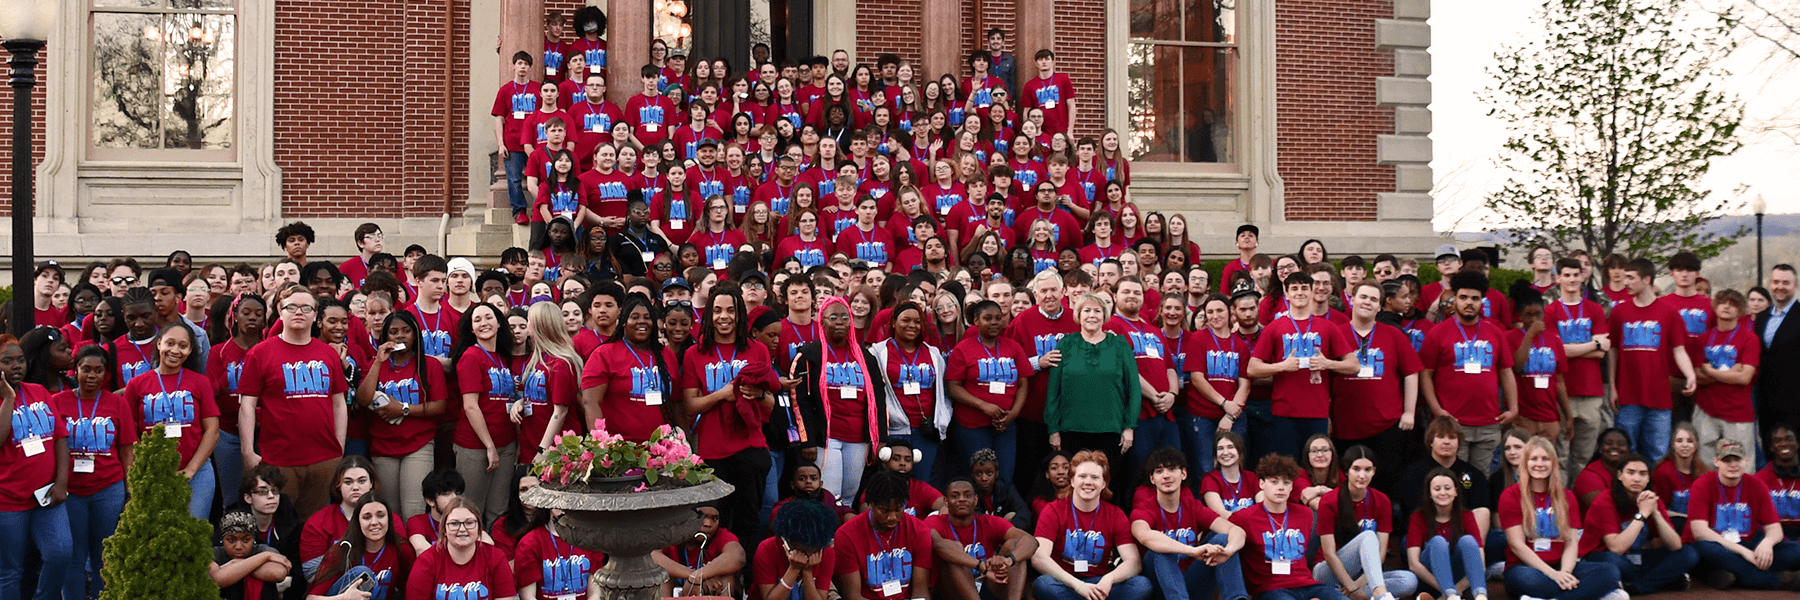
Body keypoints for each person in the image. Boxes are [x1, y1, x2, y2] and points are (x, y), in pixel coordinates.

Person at [239, 289, 350, 518]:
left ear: (315, 315)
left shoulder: (328, 354)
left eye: (306, 308)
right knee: (280, 524)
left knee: (314, 525)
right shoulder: (260, 354)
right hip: (279, 458)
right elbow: (247, 405)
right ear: (280, 311)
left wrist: (338, 447)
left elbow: (339, 403)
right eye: (291, 307)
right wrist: (248, 451)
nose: (299, 312)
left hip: (323, 459)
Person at [683, 284, 781, 539]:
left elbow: (771, 402)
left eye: (730, 310)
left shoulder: (757, 349)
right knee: (717, 521)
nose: (723, 316)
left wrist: (759, 395)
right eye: (717, 310)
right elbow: (690, 405)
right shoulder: (694, 354)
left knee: (748, 520)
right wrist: (721, 395)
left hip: (750, 448)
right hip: (712, 451)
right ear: (708, 315)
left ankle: (746, 575)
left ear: (740, 315)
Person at [51, 346, 136, 600]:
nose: (91, 375)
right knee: (73, 556)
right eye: (85, 369)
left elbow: (127, 451)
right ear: (74, 370)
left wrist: (130, 492)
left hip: (108, 489)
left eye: (98, 370)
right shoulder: (58, 402)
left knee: (105, 555)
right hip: (71, 491)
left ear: (105, 374)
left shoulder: (117, 403)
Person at [1498, 437, 1623, 600]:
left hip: (1561, 564)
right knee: (1529, 580)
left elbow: (1571, 542)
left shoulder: (1566, 496)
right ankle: (1586, 595)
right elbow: (1517, 546)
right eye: (1533, 459)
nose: (1539, 464)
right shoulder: (1511, 495)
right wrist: (1553, 575)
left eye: (1545, 459)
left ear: (1554, 463)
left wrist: (1564, 572)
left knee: (1610, 572)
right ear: (1525, 463)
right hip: (1525, 567)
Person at [1420, 271, 1517, 471]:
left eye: (1475, 298)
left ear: (1483, 301)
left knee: (1480, 480)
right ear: (1454, 299)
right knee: (1453, 479)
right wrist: (1438, 410)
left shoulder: (1495, 333)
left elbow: (1506, 372)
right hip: (1452, 424)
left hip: (1489, 422)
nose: (1469, 303)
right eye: (1463, 297)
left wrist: (1513, 408)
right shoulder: (1437, 333)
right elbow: (1425, 375)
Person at [1045, 293, 1140, 496]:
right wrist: (1053, 429)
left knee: (1108, 486)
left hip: (1111, 430)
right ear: (1078, 314)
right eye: (1086, 310)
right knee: (1076, 486)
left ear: (1105, 316)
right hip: (1072, 430)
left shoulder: (1120, 345)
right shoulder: (1066, 345)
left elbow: (1133, 388)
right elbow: (1054, 391)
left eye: (1097, 311)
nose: (1092, 315)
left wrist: (1129, 427)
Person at [357, 311, 449, 521]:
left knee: (413, 511)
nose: (400, 336)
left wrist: (403, 409)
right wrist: (378, 362)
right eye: (394, 332)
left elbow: (440, 406)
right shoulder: (375, 364)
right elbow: (363, 399)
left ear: (415, 335)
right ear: (385, 337)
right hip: (382, 446)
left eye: (406, 331)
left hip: (418, 444)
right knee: (389, 512)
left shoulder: (429, 364)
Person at [1332, 281, 1422, 493]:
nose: (1367, 302)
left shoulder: (1394, 334)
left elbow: (1411, 372)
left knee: (1386, 487)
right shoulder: (1336, 333)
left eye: (1374, 299)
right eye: (1363, 297)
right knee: (1349, 488)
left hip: (1386, 425)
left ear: (1380, 307)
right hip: (1345, 426)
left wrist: (1409, 412)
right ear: (1352, 300)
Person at [124, 319, 219, 519]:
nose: (175, 350)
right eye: (170, 343)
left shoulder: (200, 382)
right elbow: (130, 435)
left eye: (183, 346)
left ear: (190, 350)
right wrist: (148, 469)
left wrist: (190, 470)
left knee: (192, 535)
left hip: (197, 474)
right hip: (153, 474)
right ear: (159, 343)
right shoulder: (136, 384)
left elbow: (212, 430)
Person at [1129, 447, 1248, 600]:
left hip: (1191, 580)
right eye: (1159, 471)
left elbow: (1236, 531)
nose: (1166, 475)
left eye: (1172, 469)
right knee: (1160, 549)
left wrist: (1228, 551)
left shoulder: (1193, 506)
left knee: (1223, 539)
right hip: (1160, 587)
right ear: (1152, 479)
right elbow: (1145, 536)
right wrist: (1191, 551)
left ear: (1183, 474)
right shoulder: (1144, 509)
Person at [1030, 451, 1151, 600]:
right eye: (1082, 476)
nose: (1088, 482)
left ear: (1103, 484)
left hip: (1099, 585)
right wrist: (1078, 585)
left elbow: (1134, 562)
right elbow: (1039, 558)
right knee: (1043, 584)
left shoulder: (1115, 514)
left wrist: (1109, 579)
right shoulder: (1053, 510)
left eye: (1095, 477)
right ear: (1072, 481)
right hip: (1066, 583)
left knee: (1141, 585)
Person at [1609, 258, 1696, 463]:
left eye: (1631, 278)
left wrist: (1690, 374)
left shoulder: (1668, 312)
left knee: (1658, 455)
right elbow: (1612, 350)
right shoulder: (1619, 312)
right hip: (1628, 397)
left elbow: (1679, 350)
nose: (1626, 283)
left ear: (1646, 279)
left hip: (1659, 399)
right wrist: (1613, 387)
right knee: (1626, 454)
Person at [1686, 438, 1800, 590]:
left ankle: (1733, 575)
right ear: (1716, 461)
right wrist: (1744, 552)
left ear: (1746, 460)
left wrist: (1767, 544)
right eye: (1727, 460)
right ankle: (1774, 580)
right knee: (1705, 548)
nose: (1733, 464)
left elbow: (1775, 529)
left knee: (1795, 551)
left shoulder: (1756, 484)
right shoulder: (1702, 484)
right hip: (1719, 546)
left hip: (1748, 545)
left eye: (1737, 459)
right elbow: (1699, 532)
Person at [1580, 452, 1697, 595]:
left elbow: (1675, 545)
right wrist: (1642, 515)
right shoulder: (1604, 500)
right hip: (1605, 555)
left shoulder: (1651, 499)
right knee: (1614, 563)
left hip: (1639, 555)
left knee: (1689, 554)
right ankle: (1663, 579)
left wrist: (1656, 513)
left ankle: (1636, 587)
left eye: (1642, 474)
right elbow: (1616, 548)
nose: (1637, 478)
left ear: (1648, 478)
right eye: (1630, 473)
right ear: (1619, 475)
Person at [947, 300, 1033, 485]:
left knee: (1004, 477)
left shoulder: (1013, 347)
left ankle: (1001, 513)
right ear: (976, 321)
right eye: (988, 318)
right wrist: (983, 405)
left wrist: (1014, 413)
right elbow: (953, 387)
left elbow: (1023, 384)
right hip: (972, 425)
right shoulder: (963, 348)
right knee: (978, 477)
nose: (994, 322)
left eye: (998, 318)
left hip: (1005, 425)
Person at [1315, 446, 1417, 600]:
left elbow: (1381, 554)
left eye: (1367, 469)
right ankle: (1380, 595)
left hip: (1364, 576)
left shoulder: (1382, 500)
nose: (1362, 475)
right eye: (1356, 469)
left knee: (1409, 581)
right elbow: (1329, 554)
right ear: (1346, 471)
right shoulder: (1329, 501)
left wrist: (1359, 585)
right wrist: (1352, 588)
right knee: (1368, 536)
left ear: (1374, 471)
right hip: (1329, 572)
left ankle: (1353, 596)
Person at [451, 302, 519, 525]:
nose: (483, 323)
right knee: (472, 508)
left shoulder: (502, 357)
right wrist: (489, 446)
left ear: (499, 323)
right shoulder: (471, 357)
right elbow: (471, 405)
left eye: (488, 318)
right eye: (477, 320)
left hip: (506, 443)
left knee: (499, 510)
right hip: (475, 446)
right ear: (471, 329)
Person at [1543, 258, 1611, 477]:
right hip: (1562, 392)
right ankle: (1562, 503)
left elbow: (1602, 352)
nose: (1572, 280)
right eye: (1567, 275)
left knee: (1583, 456)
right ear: (1558, 278)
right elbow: (1555, 352)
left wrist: (1570, 349)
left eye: (1576, 275)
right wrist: (1592, 344)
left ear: (1584, 277)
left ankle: (1578, 504)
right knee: (1560, 454)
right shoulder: (1550, 311)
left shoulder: (1595, 310)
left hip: (1592, 392)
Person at [927, 476, 1038, 600]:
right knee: (953, 549)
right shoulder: (933, 522)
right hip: (951, 592)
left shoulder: (988, 522)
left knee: (1014, 545)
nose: (962, 499)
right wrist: (980, 565)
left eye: (967, 496)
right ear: (946, 501)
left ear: (975, 500)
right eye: (955, 496)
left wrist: (1009, 560)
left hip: (987, 585)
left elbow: (1031, 541)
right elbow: (939, 545)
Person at [834, 470, 935, 600]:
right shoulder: (847, 534)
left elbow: (920, 590)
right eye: (884, 510)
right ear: (871, 504)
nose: (892, 517)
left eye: (898, 509)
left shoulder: (919, 530)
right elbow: (853, 596)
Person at [406, 498, 518, 600]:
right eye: (454, 523)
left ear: (479, 527)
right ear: (444, 529)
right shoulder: (427, 561)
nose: (462, 529)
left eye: (469, 523)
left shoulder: (495, 557)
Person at [305, 496, 413, 600]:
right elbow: (311, 598)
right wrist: (344, 598)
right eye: (367, 517)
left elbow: (412, 591)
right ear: (357, 522)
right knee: (361, 571)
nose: (374, 522)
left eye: (380, 516)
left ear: (389, 519)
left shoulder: (401, 549)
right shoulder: (342, 550)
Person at [1693, 289, 1758, 461]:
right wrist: (1730, 372)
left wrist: (1711, 371)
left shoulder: (1750, 339)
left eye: (1733, 304)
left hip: (1738, 412)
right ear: (1714, 306)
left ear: (1741, 310)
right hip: (1706, 409)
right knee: (1704, 467)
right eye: (1723, 302)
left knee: (1741, 467)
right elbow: (1698, 376)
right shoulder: (1703, 339)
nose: (1727, 306)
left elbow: (1744, 378)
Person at [1406, 467, 1488, 600]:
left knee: (1468, 540)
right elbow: (1414, 564)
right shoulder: (1418, 517)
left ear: (1456, 491)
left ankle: (1481, 595)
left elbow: (1480, 562)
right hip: (1431, 578)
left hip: (1457, 576)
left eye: (1448, 488)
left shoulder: (1466, 515)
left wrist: (1458, 589)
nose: (1443, 493)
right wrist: (1448, 591)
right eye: (1437, 489)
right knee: (1438, 541)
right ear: (1429, 494)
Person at [1397, 417, 1492, 526]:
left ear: (1459, 442)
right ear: (1431, 441)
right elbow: (1412, 509)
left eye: (1452, 437)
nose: (1446, 442)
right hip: (1425, 532)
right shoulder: (1413, 473)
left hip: (1463, 533)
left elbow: (1480, 508)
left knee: (1483, 513)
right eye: (1440, 437)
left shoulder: (1473, 474)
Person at [299, 456, 378, 576]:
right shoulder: (317, 522)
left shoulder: (388, 518)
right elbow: (311, 575)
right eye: (348, 482)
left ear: (371, 484)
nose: (355, 487)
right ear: (338, 485)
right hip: (334, 590)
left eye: (361, 481)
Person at [754, 497, 838, 600]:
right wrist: (794, 569)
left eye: (811, 553)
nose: (805, 558)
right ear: (787, 542)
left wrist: (807, 572)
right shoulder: (767, 549)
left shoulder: (826, 552)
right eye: (801, 552)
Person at [655, 503, 746, 597]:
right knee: (662, 576)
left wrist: (700, 575)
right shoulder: (673, 532)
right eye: (700, 517)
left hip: (710, 588)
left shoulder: (720, 534)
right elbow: (652, 555)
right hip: (677, 586)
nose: (708, 524)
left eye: (714, 519)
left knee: (726, 577)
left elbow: (738, 556)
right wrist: (692, 577)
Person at [1755, 265, 1800, 443]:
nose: (1780, 287)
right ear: (1769, 284)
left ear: (1795, 286)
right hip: (1765, 399)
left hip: (1794, 400)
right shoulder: (1761, 317)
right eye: (1776, 282)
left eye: (1786, 283)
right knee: (1769, 448)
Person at [210, 512, 294, 600]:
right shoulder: (214, 553)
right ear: (223, 540)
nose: (238, 546)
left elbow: (278, 573)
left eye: (246, 540)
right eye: (231, 540)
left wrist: (235, 564)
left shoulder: (263, 550)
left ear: (253, 539)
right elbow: (217, 579)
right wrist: (263, 558)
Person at [1754, 424, 1800, 540]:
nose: (1784, 443)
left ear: (1797, 443)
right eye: (1778, 441)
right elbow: (1755, 519)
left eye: (1789, 439)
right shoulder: (1759, 479)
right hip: (1773, 538)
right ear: (1772, 447)